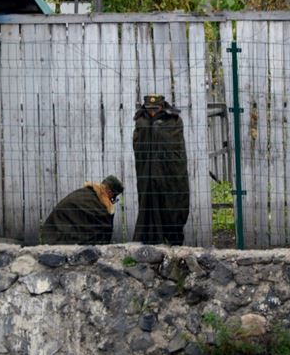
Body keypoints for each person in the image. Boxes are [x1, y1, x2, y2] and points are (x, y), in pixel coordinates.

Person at [133, 94, 190, 245]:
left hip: (170, 172)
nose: (152, 113)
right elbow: (138, 146)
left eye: (155, 109)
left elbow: (177, 148)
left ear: (162, 106)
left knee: (172, 204)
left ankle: (172, 240)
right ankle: (151, 241)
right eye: (149, 109)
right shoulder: (141, 121)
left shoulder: (174, 121)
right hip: (147, 172)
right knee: (149, 204)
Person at [40, 175, 124, 245]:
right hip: (60, 237)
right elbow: (104, 228)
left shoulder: (84, 193)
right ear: (109, 192)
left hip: (50, 234)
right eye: (113, 197)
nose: (112, 200)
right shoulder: (97, 204)